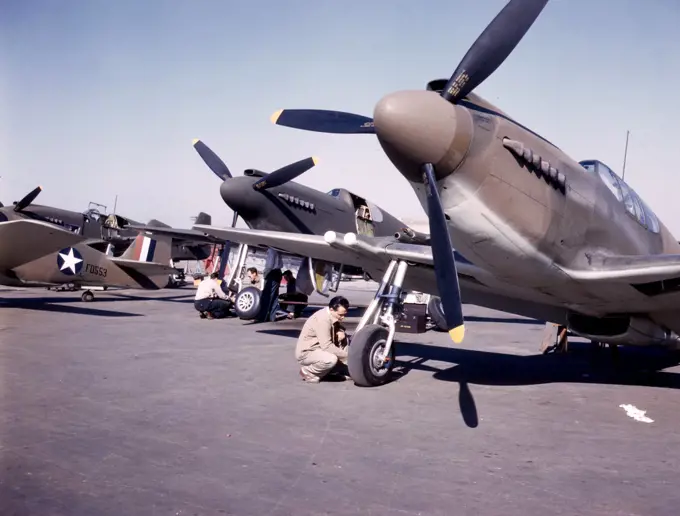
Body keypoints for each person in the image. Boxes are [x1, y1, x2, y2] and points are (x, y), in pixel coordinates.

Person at [296, 296, 351, 383]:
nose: (343, 318)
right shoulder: (322, 320)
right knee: (331, 359)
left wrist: (341, 331)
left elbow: (337, 326)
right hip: (307, 352)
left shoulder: (331, 314)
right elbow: (327, 346)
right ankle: (308, 371)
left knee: (345, 339)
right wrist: (348, 356)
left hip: (319, 348)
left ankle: (330, 371)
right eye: (340, 315)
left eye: (344, 314)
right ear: (332, 309)